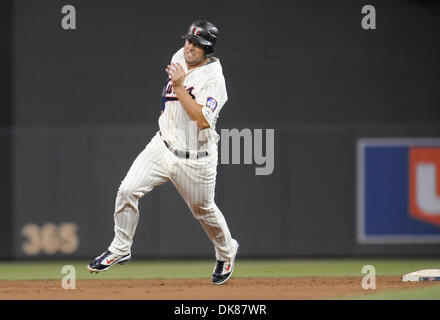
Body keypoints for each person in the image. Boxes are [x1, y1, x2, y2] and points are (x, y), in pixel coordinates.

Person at [87, 20, 239, 285]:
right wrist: (165, 111)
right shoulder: (179, 56)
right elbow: (167, 91)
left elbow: (202, 120)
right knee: (127, 190)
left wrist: (180, 87)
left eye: (196, 44)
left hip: (196, 159)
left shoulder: (215, 80)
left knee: (204, 211)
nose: (189, 47)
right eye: (188, 41)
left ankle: (226, 253)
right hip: (163, 145)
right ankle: (121, 248)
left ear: (208, 48)